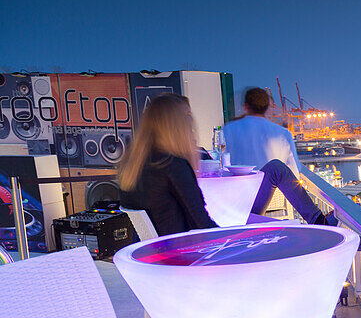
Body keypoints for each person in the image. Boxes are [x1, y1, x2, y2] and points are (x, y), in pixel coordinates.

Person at [224, 87, 331, 225]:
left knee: (275, 168)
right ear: (268, 108)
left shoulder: (230, 129)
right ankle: (319, 221)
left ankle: (319, 221)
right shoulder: (282, 132)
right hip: (272, 203)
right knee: (277, 168)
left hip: (238, 199)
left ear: (245, 107)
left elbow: (225, 162)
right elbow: (294, 173)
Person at [118, 94, 217, 235]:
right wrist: (234, 240)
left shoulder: (132, 164)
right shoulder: (173, 165)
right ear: (179, 126)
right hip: (177, 251)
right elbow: (201, 224)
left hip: (145, 251)